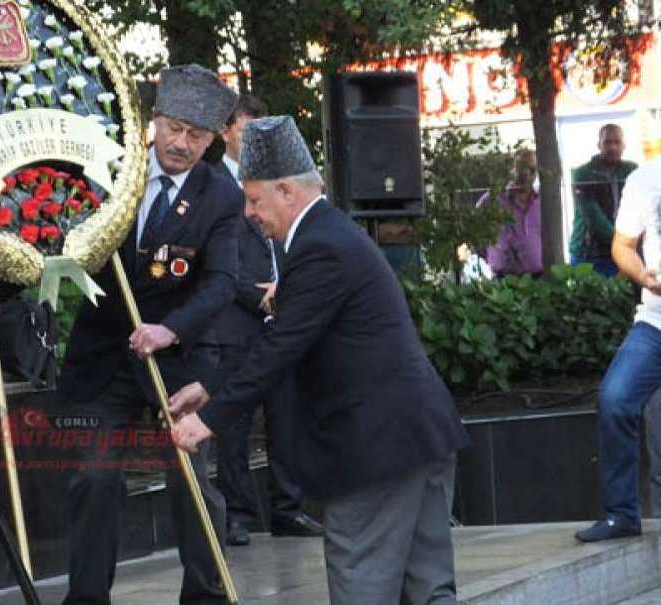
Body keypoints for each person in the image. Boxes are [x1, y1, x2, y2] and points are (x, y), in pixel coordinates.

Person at [169, 116, 470, 605]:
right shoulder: (328, 236)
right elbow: (281, 336)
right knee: (429, 591)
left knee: (363, 587)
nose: (249, 213)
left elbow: (279, 349)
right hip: (418, 436)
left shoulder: (319, 247)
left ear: (285, 191)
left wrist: (207, 420)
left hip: (378, 450)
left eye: (253, 199)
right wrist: (211, 387)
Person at [57, 64, 241, 604]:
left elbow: (223, 283)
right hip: (104, 358)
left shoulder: (220, 197)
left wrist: (171, 330)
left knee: (193, 488)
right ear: (154, 121)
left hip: (176, 361)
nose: (181, 144)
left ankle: (205, 596)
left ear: (212, 140)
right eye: (174, 128)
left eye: (197, 135)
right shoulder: (113, 173)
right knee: (93, 480)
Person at [210, 94, 323, 546]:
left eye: (260, 126)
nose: (253, 135)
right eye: (245, 126)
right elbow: (215, 257)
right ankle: (237, 514)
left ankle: (287, 509)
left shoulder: (281, 184)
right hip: (237, 318)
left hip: (281, 315)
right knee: (234, 420)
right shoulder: (215, 185)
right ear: (226, 131)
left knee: (285, 418)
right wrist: (252, 298)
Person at [575, 156, 661, 543]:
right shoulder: (645, 179)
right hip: (655, 322)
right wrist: (643, 275)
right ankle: (621, 515)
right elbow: (622, 246)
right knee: (615, 398)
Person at [569, 124, 638, 276]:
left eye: (617, 142)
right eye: (607, 142)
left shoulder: (632, 170)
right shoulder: (582, 173)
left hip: (622, 253)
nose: (612, 147)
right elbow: (593, 217)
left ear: (624, 145)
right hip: (588, 255)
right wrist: (624, 244)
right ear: (599, 145)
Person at [477, 148, 542, 278]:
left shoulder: (541, 202)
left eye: (532, 170)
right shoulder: (492, 200)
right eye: (522, 168)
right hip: (504, 280)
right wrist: (493, 257)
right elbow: (475, 236)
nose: (527, 174)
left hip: (538, 279)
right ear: (512, 169)